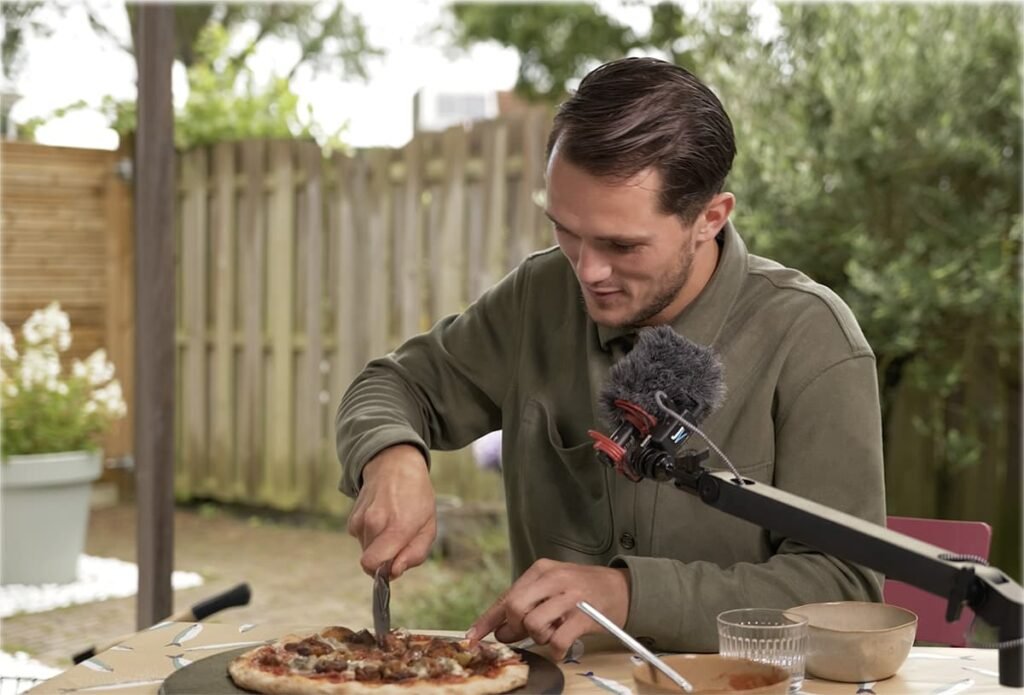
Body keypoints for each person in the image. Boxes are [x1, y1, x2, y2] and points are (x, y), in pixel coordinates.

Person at [335, 56, 885, 657]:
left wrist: (629, 595)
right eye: (567, 231)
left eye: (622, 245)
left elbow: (845, 587)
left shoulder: (813, 338)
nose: (588, 271)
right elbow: (394, 386)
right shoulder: (538, 295)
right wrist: (391, 456)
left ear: (710, 218)